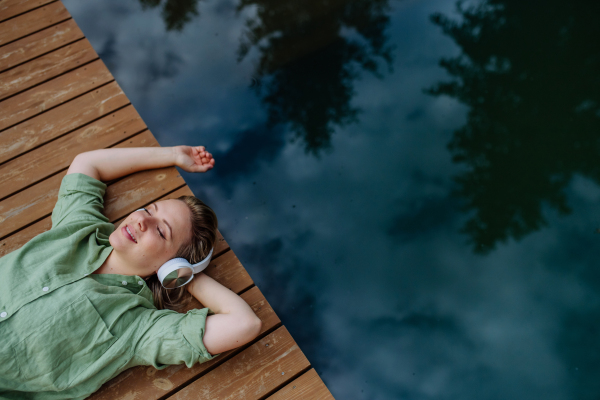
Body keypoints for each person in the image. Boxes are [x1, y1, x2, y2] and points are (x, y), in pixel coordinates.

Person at [0, 145, 262, 400]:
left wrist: (184, 275)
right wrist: (172, 155)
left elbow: (244, 324)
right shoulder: (80, 228)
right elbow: (87, 163)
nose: (141, 220)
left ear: (171, 265)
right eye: (149, 209)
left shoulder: (137, 327)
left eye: (161, 232)